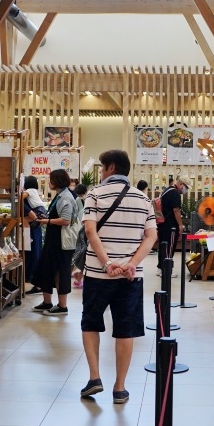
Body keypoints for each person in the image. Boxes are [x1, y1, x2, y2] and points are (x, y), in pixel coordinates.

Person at [80, 149, 157, 404]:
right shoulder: (143, 199)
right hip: (130, 279)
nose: (101, 173)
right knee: (126, 329)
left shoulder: (94, 195)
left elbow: (91, 232)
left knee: (91, 323)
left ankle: (94, 377)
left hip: (97, 274)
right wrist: (131, 264)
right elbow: (151, 237)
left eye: (102, 168)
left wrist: (107, 263)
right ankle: (120, 388)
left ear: (111, 168)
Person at [33, 169, 81, 316]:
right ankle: (47, 302)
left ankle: (62, 306)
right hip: (53, 239)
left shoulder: (66, 197)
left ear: (57, 181)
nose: (49, 182)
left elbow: (66, 220)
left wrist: (46, 220)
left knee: (61, 272)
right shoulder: (60, 195)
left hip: (61, 242)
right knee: (46, 269)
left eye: (51, 180)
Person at [23, 175, 47, 295]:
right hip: (41, 211)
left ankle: (28, 239)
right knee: (35, 250)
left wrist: (18, 194)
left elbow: (21, 198)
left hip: (37, 213)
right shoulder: (35, 192)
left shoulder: (28, 192)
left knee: (25, 221)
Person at [157, 178, 187, 259]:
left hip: (162, 223)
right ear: (180, 183)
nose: (186, 190)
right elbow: (176, 210)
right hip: (171, 226)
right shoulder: (175, 193)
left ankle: (160, 268)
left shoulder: (167, 190)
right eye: (186, 187)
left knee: (162, 246)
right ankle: (167, 269)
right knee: (170, 246)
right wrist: (180, 225)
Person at [71, 183, 89, 289]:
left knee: (81, 251)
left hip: (81, 227)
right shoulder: (83, 199)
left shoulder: (78, 200)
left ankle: (78, 274)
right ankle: (78, 275)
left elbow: (77, 214)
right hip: (84, 227)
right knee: (83, 252)